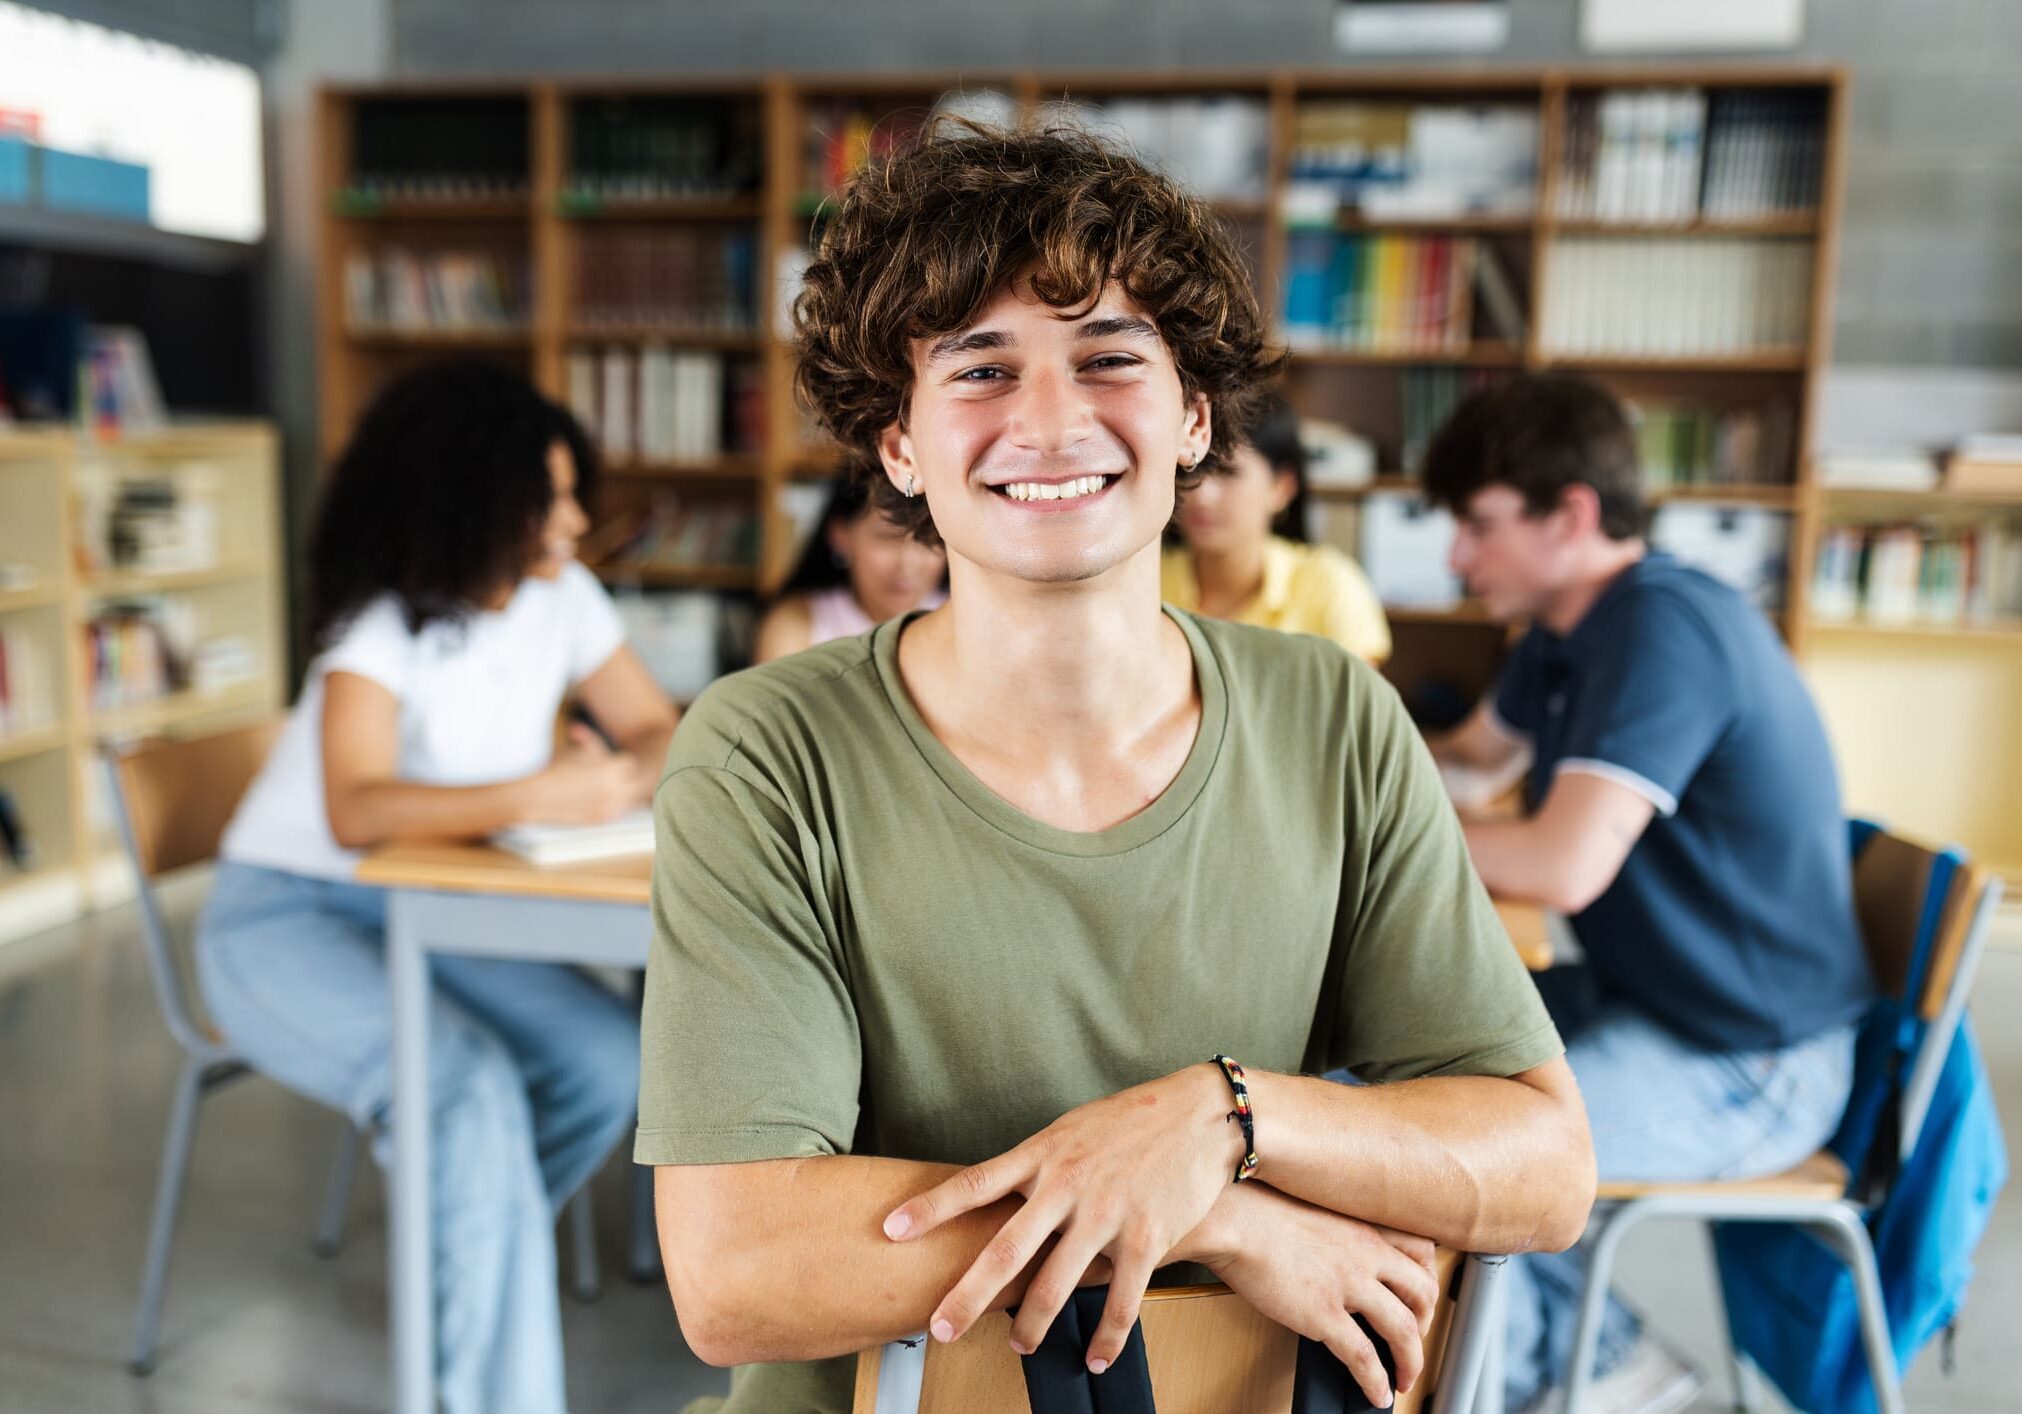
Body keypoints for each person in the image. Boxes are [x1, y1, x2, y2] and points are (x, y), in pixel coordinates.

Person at [636, 121, 1594, 1414]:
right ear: (898, 446)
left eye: (1107, 356)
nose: (1049, 416)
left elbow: (1543, 1168)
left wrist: (1222, 1119)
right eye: (978, 367)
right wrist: (1215, 1216)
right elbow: (738, 1266)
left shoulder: (1329, 716)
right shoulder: (767, 749)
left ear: (1194, 418)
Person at [196, 362, 678, 1414]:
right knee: (464, 1096)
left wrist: (619, 775)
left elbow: (654, 724)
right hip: (283, 916)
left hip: (431, 905)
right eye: (550, 497)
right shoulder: (381, 627)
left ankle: (467, 1251)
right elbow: (356, 810)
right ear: (478, 498)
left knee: (603, 1058)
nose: (576, 518)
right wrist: (545, 789)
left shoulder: (564, 598)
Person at [1420, 374, 1873, 1414]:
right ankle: (1591, 1358)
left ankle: (1603, 1372)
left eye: (1477, 525)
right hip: (1660, 1004)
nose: (1457, 556)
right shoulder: (1565, 636)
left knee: (1463, 1160)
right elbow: (1472, 764)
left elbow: (1561, 862)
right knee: (1394, 1067)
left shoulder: (1663, 627)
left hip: (1754, 1058)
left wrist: (1375, 833)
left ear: (1570, 514)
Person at [1161, 388, 1390, 664]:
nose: (1201, 494)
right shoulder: (1148, 579)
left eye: (1228, 472)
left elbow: (1354, 704)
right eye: (1192, 469)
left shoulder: (1330, 586)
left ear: (1282, 486)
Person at [753, 476, 947, 663]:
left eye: (929, 539)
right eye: (888, 537)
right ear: (840, 536)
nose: (910, 564)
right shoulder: (796, 628)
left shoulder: (963, 621)